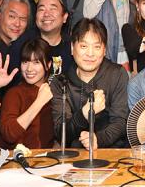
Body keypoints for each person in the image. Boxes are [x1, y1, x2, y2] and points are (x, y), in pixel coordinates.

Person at [50, 18, 129, 150]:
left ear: (104, 50)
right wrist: (85, 113)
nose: (90, 54)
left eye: (97, 47)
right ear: (72, 48)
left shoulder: (117, 74)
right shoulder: (61, 82)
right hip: (74, 156)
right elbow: (61, 133)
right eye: (84, 46)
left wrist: (98, 139)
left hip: (112, 153)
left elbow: (120, 121)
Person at [0, 38, 55, 150]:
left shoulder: (55, 91)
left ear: (48, 65)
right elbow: (9, 135)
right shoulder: (15, 93)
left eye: (36, 62)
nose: (29, 69)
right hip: (15, 158)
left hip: (46, 158)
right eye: (25, 62)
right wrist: (39, 102)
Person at [9, 0, 73, 78]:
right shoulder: (22, 44)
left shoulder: (72, 47)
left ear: (65, 17)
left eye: (53, 9)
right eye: (41, 9)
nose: (46, 14)